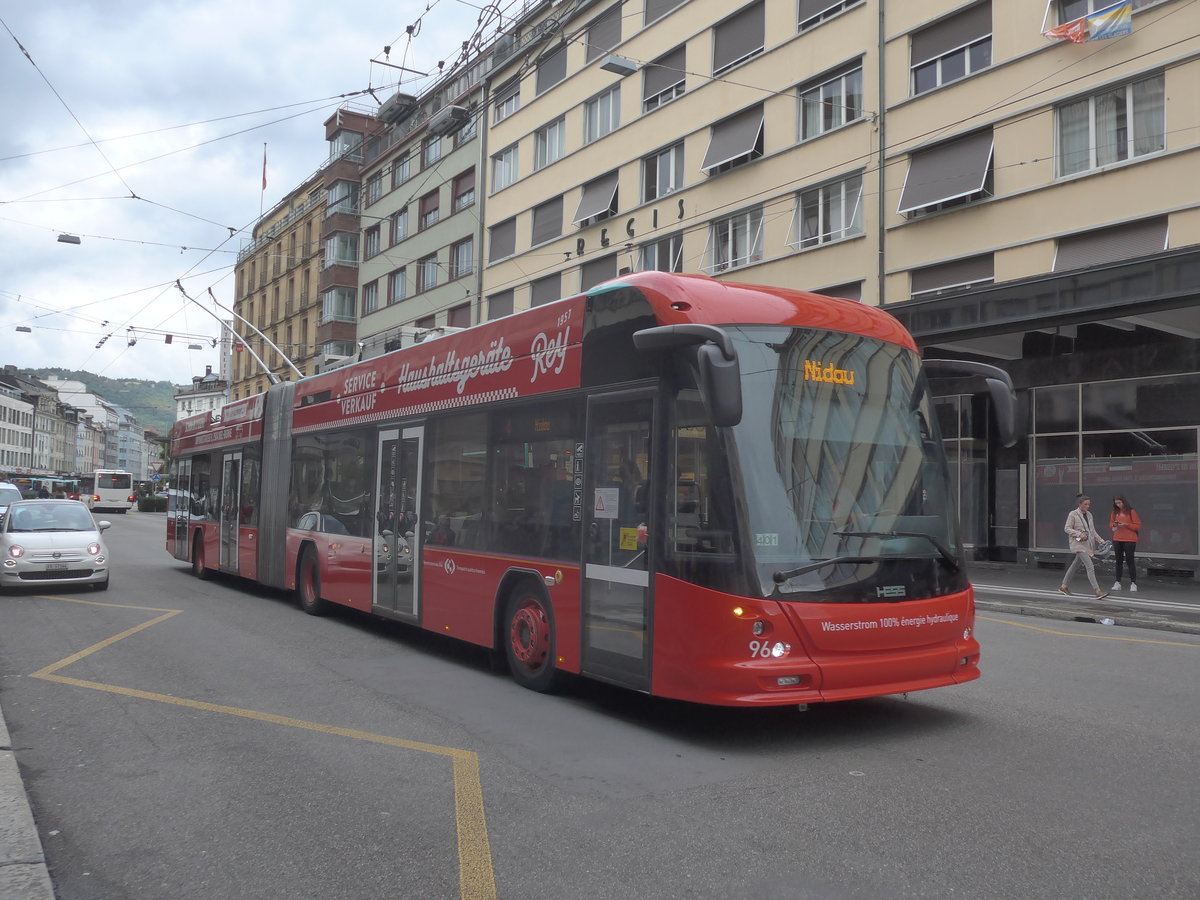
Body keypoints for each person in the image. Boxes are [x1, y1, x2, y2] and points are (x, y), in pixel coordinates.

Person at [1059, 494, 1106, 598]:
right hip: (1078, 544)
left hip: (1087, 544)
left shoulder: (1089, 515)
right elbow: (1067, 528)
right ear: (1079, 504)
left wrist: (1101, 541)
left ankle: (1063, 586)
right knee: (1090, 566)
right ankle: (1098, 591)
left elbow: (1092, 531)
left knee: (1074, 565)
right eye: (1085, 504)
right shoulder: (1073, 514)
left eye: (1089, 504)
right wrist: (1079, 534)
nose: (1087, 506)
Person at [1109, 495, 1141, 592]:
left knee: (1129, 560)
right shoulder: (1115, 512)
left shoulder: (1131, 511)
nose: (1118, 505)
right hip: (1117, 538)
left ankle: (1133, 583)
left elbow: (1137, 525)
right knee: (1118, 560)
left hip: (1130, 539)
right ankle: (1117, 582)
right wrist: (1114, 524)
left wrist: (1126, 525)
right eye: (1116, 503)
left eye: (1119, 503)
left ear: (1124, 502)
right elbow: (1111, 523)